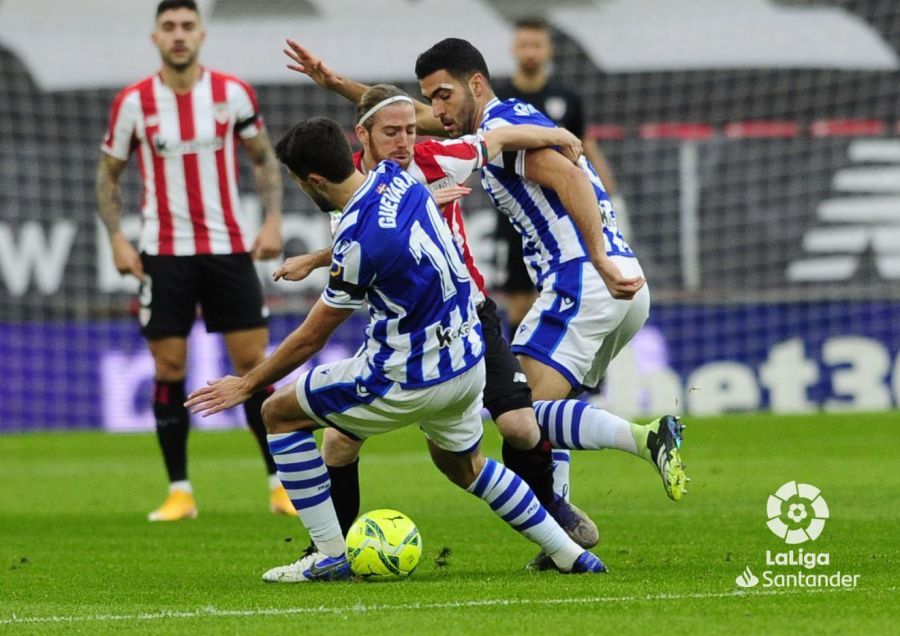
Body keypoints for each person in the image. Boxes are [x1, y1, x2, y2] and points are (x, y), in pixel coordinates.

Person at [185, 116, 607, 581]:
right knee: (465, 465)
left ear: (314, 181)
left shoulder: (357, 240)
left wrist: (247, 383)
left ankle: (327, 554)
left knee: (278, 414)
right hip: (467, 363)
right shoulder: (397, 178)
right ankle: (570, 553)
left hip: (407, 375)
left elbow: (312, 335)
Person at [271, 78, 599, 553]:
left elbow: (500, 137)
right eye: (393, 132)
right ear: (362, 137)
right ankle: (330, 548)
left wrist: (557, 135)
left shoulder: (433, 162)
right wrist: (319, 258)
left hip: (470, 317)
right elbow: (367, 247)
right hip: (403, 333)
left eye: (410, 130)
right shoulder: (352, 190)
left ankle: (554, 509)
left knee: (520, 428)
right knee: (340, 445)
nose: (406, 141)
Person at [412, 41, 687, 530]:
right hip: (624, 286)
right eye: (429, 98)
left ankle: (647, 438)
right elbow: (411, 119)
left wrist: (596, 258)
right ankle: (562, 534)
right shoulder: (512, 119)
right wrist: (344, 88)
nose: (436, 110)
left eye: (443, 95)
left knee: (521, 412)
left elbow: (570, 179)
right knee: (545, 414)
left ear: (476, 84)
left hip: (584, 278)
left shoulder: (501, 133)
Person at [95, 0, 292, 521]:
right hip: (164, 255)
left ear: (201, 34)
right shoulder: (134, 102)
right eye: (169, 27)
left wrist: (273, 220)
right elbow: (108, 174)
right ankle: (180, 491)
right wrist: (117, 237)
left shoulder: (231, 93)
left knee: (253, 365)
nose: (179, 35)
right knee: (169, 367)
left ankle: (280, 484)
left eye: (187, 26)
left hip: (228, 249)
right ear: (155, 37)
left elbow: (263, 158)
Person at [492, 16, 627, 332]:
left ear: (549, 50)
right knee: (521, 308)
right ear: (513, 48)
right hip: (517, 217)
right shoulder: (500, 100)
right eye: (524, 44)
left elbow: (585, 147)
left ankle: (582, 381)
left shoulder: (568, 98)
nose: (530, 52)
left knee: (573, 299)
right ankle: (523, 379)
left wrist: (610, 193)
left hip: (565, 214)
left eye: (537, 45)